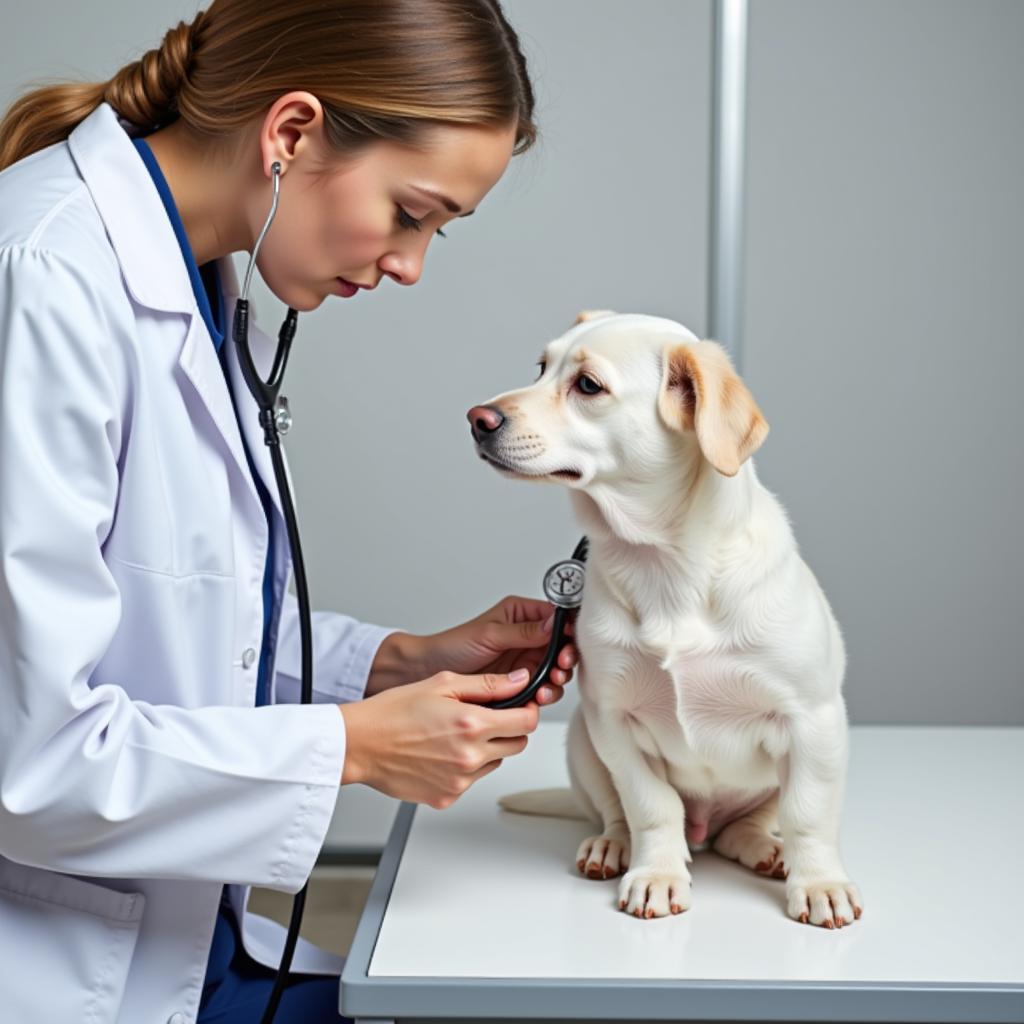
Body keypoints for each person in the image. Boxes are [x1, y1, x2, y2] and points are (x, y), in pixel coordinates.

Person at [0, 2, 578, 1021]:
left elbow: (168, 633)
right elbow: (31, 761)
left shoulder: (202, 288)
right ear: (292, 132)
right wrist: (354, 745)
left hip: (186, 949)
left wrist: (394, 664)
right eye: (411, 213)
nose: (410, 264)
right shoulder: (42, 279)